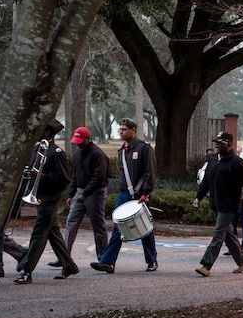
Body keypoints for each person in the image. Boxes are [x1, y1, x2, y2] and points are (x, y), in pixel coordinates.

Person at [14, 120, 79, 284]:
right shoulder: (37, 149)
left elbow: (64, 179)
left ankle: (26, 270)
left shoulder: (56, 152)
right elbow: (32, 169)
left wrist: (41, 176)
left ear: (48, 133)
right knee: (53, 233)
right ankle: (69, 266)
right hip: (40, 196)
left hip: (51, 197)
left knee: (39, 233)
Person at [91, 117, 158, 274]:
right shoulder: (122, 150)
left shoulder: (144, 148)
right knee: (118, 227)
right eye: (120, 129)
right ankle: (108, 262)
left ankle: (152, 260)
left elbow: (151, 172)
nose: (121, 132)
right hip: (124, 194)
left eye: (124, 129)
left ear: (133, 130)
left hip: (140, 194)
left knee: (145, 229)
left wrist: (146, 193)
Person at [193, 131, 243, 276]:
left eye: (221, 143)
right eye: (216, 143)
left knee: (218, 235)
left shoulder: (237, 162)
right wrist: (198, 198)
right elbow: (206, 181)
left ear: (229, 144)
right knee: (228, 235)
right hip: (216, 203)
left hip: (229, 205)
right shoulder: (213, 160)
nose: (217, 145)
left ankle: (206, 266)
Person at [48, 126, 109, 267]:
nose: (78, 143)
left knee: (98, 225)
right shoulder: (79, 154)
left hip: (95, 192)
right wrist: (72, 194)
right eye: (77, 141)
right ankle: (64, 256)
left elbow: (99, 177)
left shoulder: (97, 154)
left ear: (88, 138)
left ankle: (103, 258)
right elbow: (74, 175)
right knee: (71, 222)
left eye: (81, 141)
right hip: (81, 191)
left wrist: (85, 193)